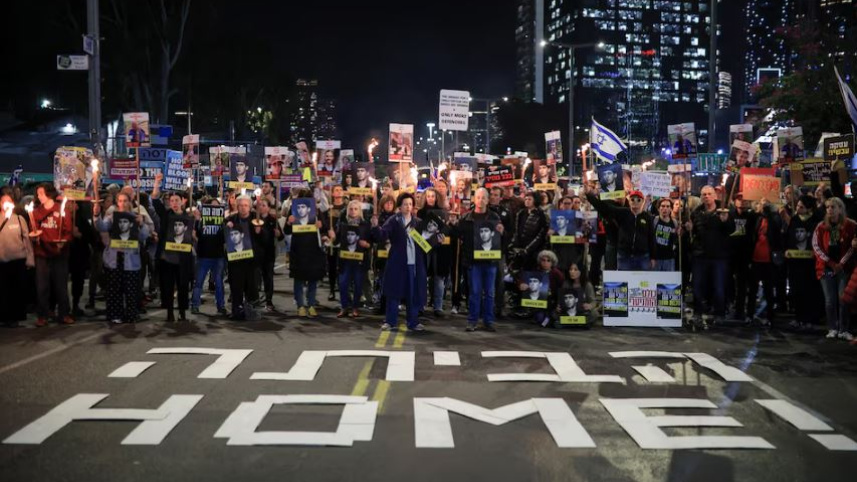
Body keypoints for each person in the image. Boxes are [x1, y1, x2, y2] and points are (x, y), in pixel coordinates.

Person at [372, 192, 438, 332]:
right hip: (397, 262)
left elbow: (426, 244)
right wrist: (375, 227)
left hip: (414, 263)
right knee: (394, 291)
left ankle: (413, 321)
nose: (408, 207)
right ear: (400, 207)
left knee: (413, 292)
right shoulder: (393, 221)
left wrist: (437, 240)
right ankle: (390, 321)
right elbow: (382, 235)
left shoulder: (418, 223)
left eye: (410, 204)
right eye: (405, 204)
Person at [449, 188, 504, 331]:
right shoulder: (466, 218)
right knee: (474, 292)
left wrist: (502, 231)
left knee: (490, 292)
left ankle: (488, 321)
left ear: (487, 200)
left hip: (490, 261)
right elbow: (457, 234)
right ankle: (472, 320)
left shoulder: (494, 217)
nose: (481, 200)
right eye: (478, 197)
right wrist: (451, 224)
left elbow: (502, 237)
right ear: (474, 199)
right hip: (473, 263)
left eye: (483, 197)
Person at [94, 192, 149, 324]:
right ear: (117, 202)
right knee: (114, 289)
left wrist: (141, 224)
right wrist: (96, 215)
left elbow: (143, 236)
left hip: (131, 259)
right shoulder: (112, 217)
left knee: (131, 290)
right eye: (120, 200)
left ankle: (131, 314)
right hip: (114, 257)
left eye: (125, 200)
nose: (122, 203)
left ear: (130, 202)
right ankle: (115, 314)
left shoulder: (136, 217)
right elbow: (101, 226)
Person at [687, 185, 734, 327]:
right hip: (700, 256)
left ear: (715, 196)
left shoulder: (724, 211)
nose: (706, 196)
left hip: (718, 256)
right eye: (704, 194)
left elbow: (731, 230)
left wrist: (726, 221)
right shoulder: (696, 213)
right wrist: (689, 228)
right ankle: (697, 314)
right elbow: (693, 232)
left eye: (709, 194)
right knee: (697, 286)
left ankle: (719, 314)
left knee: (718, 287)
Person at [151, 173, 194, 322]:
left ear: (184, 201)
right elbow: (155, 200)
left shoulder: (190, 218)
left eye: (177, 200)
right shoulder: (166, 215)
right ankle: (169, 312)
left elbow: (194, 236)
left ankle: (182, 312)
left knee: (183, 286)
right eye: (171, 200)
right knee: (167, 286)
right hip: (166, 258)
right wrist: (157, 183)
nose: (174, 203)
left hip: (183, 259)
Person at [812, 197, 856, 341]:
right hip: (826, 268)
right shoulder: (820, 226)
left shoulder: (851, 225)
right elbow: (816, 247)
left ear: (840, 209)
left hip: (843, 268)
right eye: (828, 207)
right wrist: (831, 263)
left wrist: (840, 264)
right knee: (830, 300)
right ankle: (832, 328)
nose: (830, 210)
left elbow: (852, 247)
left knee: (843, 300)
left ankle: (844, 329)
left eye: (833, 207)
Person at [32, 184, 74, 326]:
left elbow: (68, 230)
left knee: (61, 286)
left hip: (59, 254)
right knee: (42, 286)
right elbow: (33, 229)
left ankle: (64, 314)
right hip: (42, 254)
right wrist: (35, 237)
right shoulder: (36, 212)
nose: (39, 196)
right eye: (38, 194)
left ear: (49, 194)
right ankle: (42, 315)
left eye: (41, 193)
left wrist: (64, 241)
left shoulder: (61, 209)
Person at [284, 189, 328, 318]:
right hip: (298, 249)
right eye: (300, 205)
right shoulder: (292, 211)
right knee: (298, 279)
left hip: (314, 249)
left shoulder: (317, 211)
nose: (301, 208)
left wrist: (321, 225)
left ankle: (312, 305)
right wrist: (288, 222)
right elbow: (287, 231)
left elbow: (325, 227)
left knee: (313, 279)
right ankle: (300, 306)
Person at [585, 187, 653, 271]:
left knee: (641, 281)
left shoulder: (648, 217)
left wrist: (653, 257)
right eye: (632, 199)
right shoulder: (623, 212)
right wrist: (589, 195)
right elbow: (603, 207)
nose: (635, 202)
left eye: (638, 200)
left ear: (642, 201)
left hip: (642, 256)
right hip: (624, 255)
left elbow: (651, 238)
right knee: (624, 281)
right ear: (629, 201)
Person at [745, 198, 783, 326]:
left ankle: (770, 317)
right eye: (761, 203)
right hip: (756, 258)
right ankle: (749, 315)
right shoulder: (756, 217)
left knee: (768, 290)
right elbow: (750, 233)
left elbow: (777, 231)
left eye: (766, 203)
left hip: (769, 260)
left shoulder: (775, 218)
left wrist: (770, 213)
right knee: (752, 290)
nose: (763, 205)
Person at [330, 200, 371, 317]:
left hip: (359, 260)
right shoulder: (342, 224)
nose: (353, 211)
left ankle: (355, 307)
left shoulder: (365, 224)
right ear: (348, 210)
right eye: (351, 209)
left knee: (358, 285)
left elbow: (371, 242)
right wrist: (332, 236)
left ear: (360, 211)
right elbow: (337, 240)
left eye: (356, 209)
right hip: (345, 260)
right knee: (343, 284)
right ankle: (344, 307)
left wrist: (367, 245)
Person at [0, 188, 34, 327]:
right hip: (2, 261)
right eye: (3, 201)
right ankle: (3, 316)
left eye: (9, 201)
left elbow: (26, 240)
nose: (6, 203)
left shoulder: (19, 219)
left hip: (18, 260)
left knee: (16, 290)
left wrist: (30, 258)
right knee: (3, 290)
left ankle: (15, 317)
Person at [417, 187, 450, 317]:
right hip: (424, 248)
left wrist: (443, 234)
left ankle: (438, 307)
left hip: (439, 249)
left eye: (433, 196)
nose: (431, 198)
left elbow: (446, 230)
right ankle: (421, 305)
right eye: (429, 196)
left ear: (437, 197)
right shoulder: (420, 213)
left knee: (438, 278)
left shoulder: (443, 212)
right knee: (422, 277)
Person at [191, 198, 228, 316]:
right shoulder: (201, 221)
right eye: (211, 207)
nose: (214, 209)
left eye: (216, 207)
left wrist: (225, 224)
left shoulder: (223, 222)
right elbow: (195, 235)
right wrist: (197, 220)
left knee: (218, 282)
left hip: (218, 256)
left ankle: (221, 306)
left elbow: (225, 238)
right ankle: (195, 305)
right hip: (204, 255)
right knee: (199, 281)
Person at [225, 196, 259, 320]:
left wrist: (259, 232)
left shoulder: (256, 220)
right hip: (235, 260)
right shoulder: (231, 219)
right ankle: (236, 311)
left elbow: (264, 239)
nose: (243, 208)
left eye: (245, 205)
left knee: (251, 287)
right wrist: (226, 225)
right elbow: (223, 235)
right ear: (237, 207)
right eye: (240, 205)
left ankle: (250, 311)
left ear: (250, 207)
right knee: (236, 287)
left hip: (251, 261)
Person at [252, 198, 284, 313]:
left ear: (269, 208)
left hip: (269, 253)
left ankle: (269, 300)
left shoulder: (273, 220)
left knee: (268, 278)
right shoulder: (254, 219)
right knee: (255, 277)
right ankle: (254, 300)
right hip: (256, 253)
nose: (261, 207)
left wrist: (278, 234)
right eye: (259, 205)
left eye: (264, 205)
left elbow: (281, 237)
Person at [517, 250, 563, 328]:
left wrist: (560, 303)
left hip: (552, 302)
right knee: (540, 318)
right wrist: (521, 284)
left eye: (548, 261)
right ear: (540, 261)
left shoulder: (557, 273)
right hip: (538, 303)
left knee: (549, 319)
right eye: (543, 260)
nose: (545, 263)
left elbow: (563, 289)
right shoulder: (535, 271)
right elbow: (522, 279)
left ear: (552, 262)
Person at [558, 262, 596, 326]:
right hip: (568, 311)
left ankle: (573, 323)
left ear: (581, 271)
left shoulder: (587, 285)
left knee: (594, 313)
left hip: (582, 311)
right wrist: (559, 306)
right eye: (570, 269)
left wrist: (589, 306)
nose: (572, 272)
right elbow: (561, 300)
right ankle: (578, 323)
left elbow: (593, 301)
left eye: (575, 270)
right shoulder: (566, 283)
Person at [651, 198, 678, 271]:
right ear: (658, 208)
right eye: (662, 206)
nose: (665, 208)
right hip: (656, 259)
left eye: (668, 206)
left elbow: (676, 238)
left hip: (669, 259)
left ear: (671, 209)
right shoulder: (654, 220)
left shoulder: (674, 223)